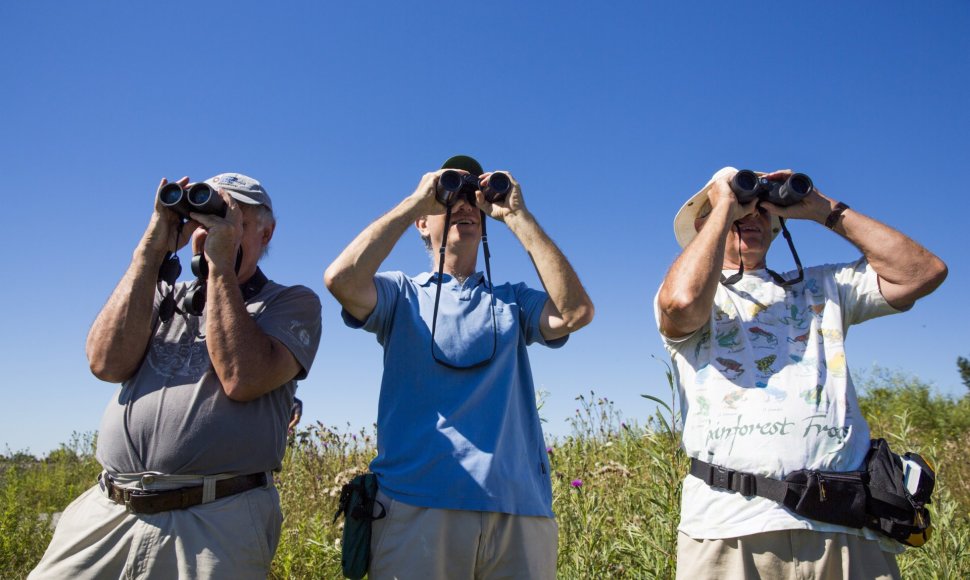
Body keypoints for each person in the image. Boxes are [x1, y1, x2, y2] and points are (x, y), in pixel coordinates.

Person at [655, 166, 947, 579]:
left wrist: (821, 208)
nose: (749, 216)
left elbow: (922, 272)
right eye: (739, 207)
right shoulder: (695, 293)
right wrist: (724, 205)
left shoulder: (825, 285)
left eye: (760, 210)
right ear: (705, 225)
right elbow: (682, 304)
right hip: (728, 525)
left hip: (841, 521)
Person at [30, 173, 322, 579]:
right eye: (201, 220)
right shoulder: (164, 294)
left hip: (213, 520)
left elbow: (243, 377)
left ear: (266, 233)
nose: (209, 231)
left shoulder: (290, 302)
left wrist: (220, 265)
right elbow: (105, 363)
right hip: (109, 506)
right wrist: (150, 251)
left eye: (231, 218)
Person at [325, 155, 594, 579]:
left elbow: (575, 311)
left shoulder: (513, 300)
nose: (464, 203)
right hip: (417, 506)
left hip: (517, 509)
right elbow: (341, 280)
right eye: (450, 194)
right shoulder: (400, 294)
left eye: (473, 196)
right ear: (422, 223)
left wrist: (517, 216)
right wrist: (416, 201)